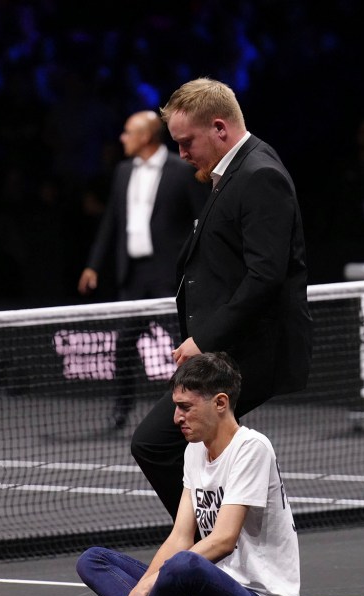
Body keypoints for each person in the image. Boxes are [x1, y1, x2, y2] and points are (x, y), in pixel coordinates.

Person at [130, 77, 312, 519]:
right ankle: (221, 547)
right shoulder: (231, 173)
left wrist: (203, 339)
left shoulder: (260, 175)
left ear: (219, 128)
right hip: (226, 349)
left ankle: (211, 546)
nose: (182, 153)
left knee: (155, 442)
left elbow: (264, 277)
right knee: (207, 448)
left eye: (187, 141)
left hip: (248, 351)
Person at [55, 352, 300, 596]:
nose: (176, 418)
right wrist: (139, 591)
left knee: (184, 565)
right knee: (94, 560)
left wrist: (144, 592)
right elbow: (180, 538)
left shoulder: (252, 448)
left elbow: (223, 540)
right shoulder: (194, 451)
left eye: (186, 407)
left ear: (220, 403)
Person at [78, 110, 207, 429]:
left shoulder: (181, 170)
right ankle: (122, 409)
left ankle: (193, 407)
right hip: (134, 274)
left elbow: (203, 219)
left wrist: (197, 264)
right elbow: (111, 222)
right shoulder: (123, 171)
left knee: (183, 345)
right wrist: (93, 264)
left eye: (128, 132)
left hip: (169, 274)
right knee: (123, 343)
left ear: (146, 136)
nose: (122, 138)